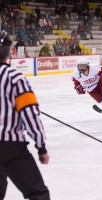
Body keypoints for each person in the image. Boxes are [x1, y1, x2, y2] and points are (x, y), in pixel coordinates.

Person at [0, 31, 50, 200]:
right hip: (9, 146)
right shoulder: (15, 78)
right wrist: (41, 146)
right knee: (38, 194)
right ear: (9, 51)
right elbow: (30, 116)